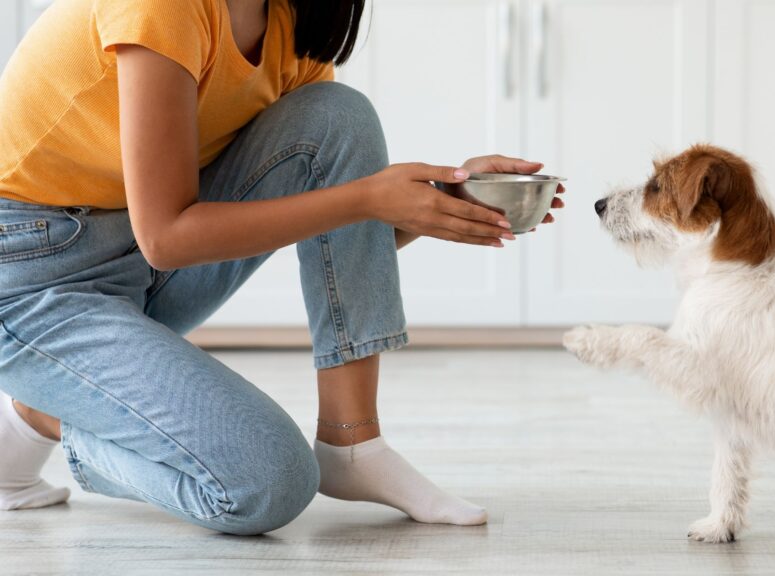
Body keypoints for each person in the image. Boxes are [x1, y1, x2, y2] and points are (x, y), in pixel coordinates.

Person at [0, 0, 562, 535]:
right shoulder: (166, 7)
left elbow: (340, 238)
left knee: (338, 117)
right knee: (266, 483)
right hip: (30, 272)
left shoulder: (291, 23)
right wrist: (367, 198)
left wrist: (437, 203)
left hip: (134, 248)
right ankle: (50, 414)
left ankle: (353, 443)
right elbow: (167, 238)